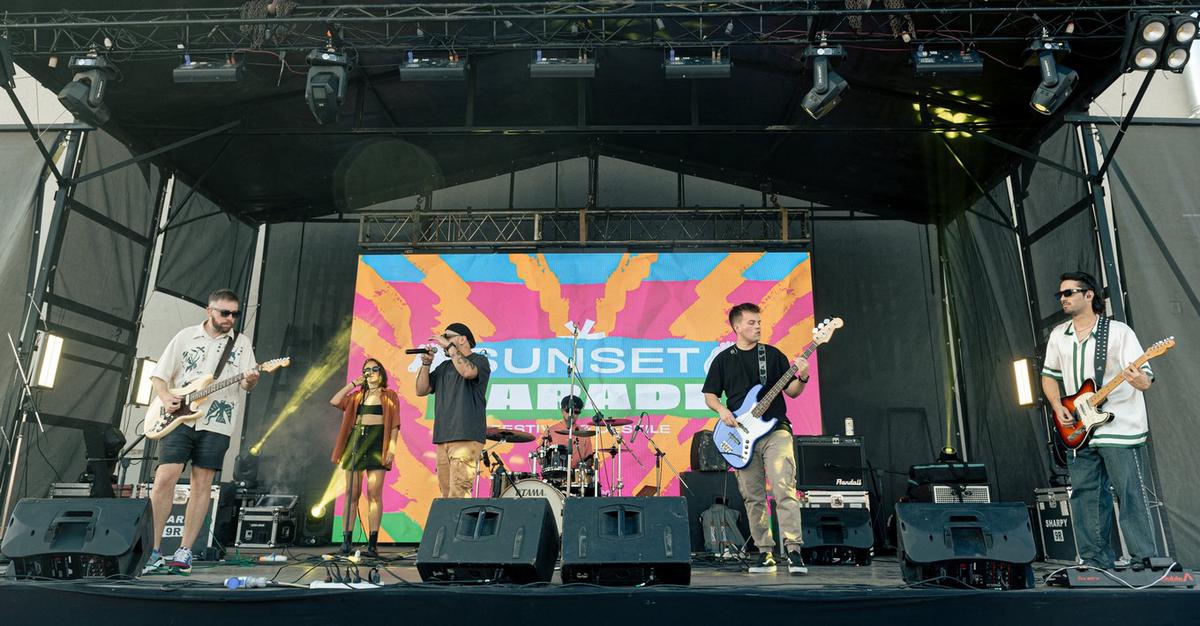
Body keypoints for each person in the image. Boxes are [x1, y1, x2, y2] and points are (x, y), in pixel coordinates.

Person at [1040, 271, 1158, 570]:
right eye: (1061, 295)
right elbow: (1049, 376)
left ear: (1089, 294)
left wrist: (1140, 380)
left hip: (1119, 427)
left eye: (1068, 293)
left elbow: (1146, 380)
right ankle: (1095, 561)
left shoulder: (1119, 332)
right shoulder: (1058, 335)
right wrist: (1057, 405)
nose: (1063, 299)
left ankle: (1145, 558)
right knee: (1085, 496)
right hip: (1080, 429)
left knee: (1128, 492)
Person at [144, 289, 258, 574]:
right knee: (164, 478)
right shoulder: (185, 336)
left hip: (217, 421)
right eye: (225, 313)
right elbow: (159, 375)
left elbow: (247, 385)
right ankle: (153, 550)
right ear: (210, 310)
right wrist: (167, 397)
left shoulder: (241, 344)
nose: (230, 318)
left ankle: (184, 551)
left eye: (235, 314)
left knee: (202, 484)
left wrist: (253, 379)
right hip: (179, 419)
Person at [702, 302, 808, 575]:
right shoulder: (724, 360)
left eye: (759, 322)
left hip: (776, 430)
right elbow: (710, 394)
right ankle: (765, 552)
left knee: (784, 486)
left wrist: (804, 375)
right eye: (751, 322)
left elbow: (793, 391)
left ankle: (794, 550)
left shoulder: (772, 356)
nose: (758, 326)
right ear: (737, 326)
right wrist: (723, 410)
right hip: (741, 435)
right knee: (753, 495)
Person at [329, 358, 400, 557]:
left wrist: (391, 450)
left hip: (378, 443)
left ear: (382, 373)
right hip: (356, 443)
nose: (371, 372)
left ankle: (372, 544)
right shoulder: (356, 396)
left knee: (374, 493)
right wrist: (353, 383)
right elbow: (335, 401)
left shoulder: (390, 395)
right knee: (352, 493)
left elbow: (394, 425)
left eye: (375, 369)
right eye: (367, 369)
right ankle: (346, 543)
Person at [415, 322, 491, 498]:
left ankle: (463, 526)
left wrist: (449, 347)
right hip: (444, 437)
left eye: (447, 336)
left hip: (466, 435)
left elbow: (468, 373)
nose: (443, 340)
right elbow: (421, 390)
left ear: (463, 339)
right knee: (446, 493)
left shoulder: (479, 360)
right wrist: (426, 364)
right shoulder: (444, 367)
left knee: (459, 491)